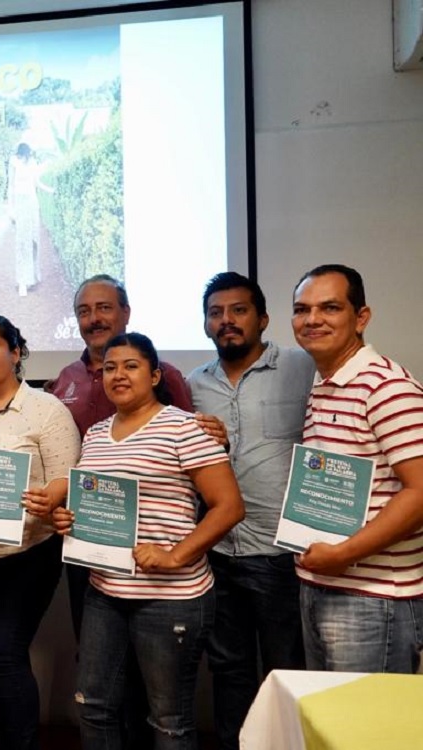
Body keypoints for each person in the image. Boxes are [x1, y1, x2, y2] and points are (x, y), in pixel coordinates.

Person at [35, 332, 244, 750]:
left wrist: (174, 556)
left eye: (130, 366)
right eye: (110, 368)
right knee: (93, 705)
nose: (118, 375)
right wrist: (66, 519)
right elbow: (89, 507)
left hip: (170, 596)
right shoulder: (94, 435)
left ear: (154, 374)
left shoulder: (186, 428)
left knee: (168, 720)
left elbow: (228, 507)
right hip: (104, 592)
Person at [49, 275, 195, 749]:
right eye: (85, 310)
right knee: (101, 680)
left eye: (105, 307)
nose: (95, 318)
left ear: (125, 313)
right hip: (92, 554)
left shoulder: (168, 377)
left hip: (158, 559)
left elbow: (194, 455)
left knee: (157, 695)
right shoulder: (65, 380)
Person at [187, 272, 312, 750]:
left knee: (289, 671)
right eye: (216, 313)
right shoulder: (195, 384)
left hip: (284, 554)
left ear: (262, 318)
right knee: (229, 671)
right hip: (219, 553)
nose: (227, 321)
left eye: (238, 311)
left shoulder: (303, 367)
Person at [0, 314, 79, 750]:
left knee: (3, 652)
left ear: (15, 352)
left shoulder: (45, 408)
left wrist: (50, 496)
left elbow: (67, 478)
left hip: (26, 554)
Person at [290, 264, 423, 673]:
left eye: (329, 307)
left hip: (375, 597)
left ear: (360, 317)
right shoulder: (325, 383)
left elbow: (419, 491)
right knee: (330, 726)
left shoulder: (387, 386)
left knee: (366, 733)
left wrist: (344, 554)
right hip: (323, 584)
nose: (312, 319)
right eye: (302, 309)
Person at [8, 143, 42, 296]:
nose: (24, 157)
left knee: (34, 240)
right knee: (22, 243)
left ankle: (33, 276)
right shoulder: (13, 162)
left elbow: (36, 183)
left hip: (32, 204)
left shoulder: (33, 163)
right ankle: (22, 282)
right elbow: (10, 186)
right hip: (20, 205)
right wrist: (11, 209)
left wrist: (51, 190)